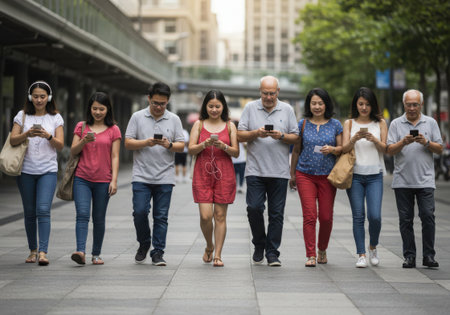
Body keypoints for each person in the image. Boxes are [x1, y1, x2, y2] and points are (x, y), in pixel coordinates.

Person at [238, 76, 299, 267]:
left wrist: (281, 135)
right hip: (255, 170)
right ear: (260, 91)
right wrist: (256, 133)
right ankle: (259, 243)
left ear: (278, 92)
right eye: (265, 93)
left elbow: (296, 137)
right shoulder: (250, 108)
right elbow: (239, 135)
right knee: (254, 208)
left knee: (276, 214)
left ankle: (272, 253)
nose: (269, 97)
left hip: (279, 171)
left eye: (272, 93)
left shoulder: (287, 109)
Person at [125, 82, 185, 266]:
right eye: (155, 103)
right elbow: (127, 142)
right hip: (141, 176)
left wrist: (168, 145)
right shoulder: (137, 117)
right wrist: (146, 143)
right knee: (140, 212)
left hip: (165, 176)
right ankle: (144, 243)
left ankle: (158, 252)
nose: (159, 107)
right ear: (148, 98)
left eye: (163, 104)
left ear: (168, 102)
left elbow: (181, 146)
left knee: (161, 216)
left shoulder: (174, 119)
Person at [386, 89, 443, 269]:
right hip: (402, 180)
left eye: (415, 104)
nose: (411, 108)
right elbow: (389, 150)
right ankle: (409, 256)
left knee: (428, 216)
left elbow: (440, 148)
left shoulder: (431, 122)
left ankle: (429, 256)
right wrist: (403, 142)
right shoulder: (396, 123)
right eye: (409, 104)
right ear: (404, 105)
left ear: (421, 105)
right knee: (405, 220)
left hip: (425, 180)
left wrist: (425, 142)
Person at [10, 81, 64, 265]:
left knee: (43, 209)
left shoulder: (55, 117)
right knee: (30, 212)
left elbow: (61, 145)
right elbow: (13, 139)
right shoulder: (22, 115)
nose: (39, 100)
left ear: (48, 98)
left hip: (47, 171)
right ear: (29, 97)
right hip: (25, 171)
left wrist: (47, 136)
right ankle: (32, 250)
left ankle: (43, 252)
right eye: (35, 96)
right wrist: (27, 134)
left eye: (42, 96)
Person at [289, 88, 342, 267]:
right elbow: (296, 150)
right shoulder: (302, 124)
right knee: (310, 215)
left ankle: (322, 249)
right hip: (305, 174)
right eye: (314, 103)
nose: (317, 106)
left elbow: (343, 149)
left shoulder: (335, 124)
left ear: (326, 104)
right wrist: (292, 174)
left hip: (328, 176)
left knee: (326, 217)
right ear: (309, 105)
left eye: (320, 103)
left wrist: (333, 149)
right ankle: (310, 254)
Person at [70, 92, 121, 265]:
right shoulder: (81, 126)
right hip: (82, 178)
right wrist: (83, 140)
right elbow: (73, 151)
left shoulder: (114, 129)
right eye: (94, 108)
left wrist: (114, 180)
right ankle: (80, 251)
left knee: (99, 217)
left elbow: (115, 156)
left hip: (103, 180)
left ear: (108, 110)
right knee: (82, 214)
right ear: (89, 109)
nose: (97, 112)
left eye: (101, 109)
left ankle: (96, 254)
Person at [188, 90, 239, 267]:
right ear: (205, 106)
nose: (214, 110)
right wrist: (204, 144)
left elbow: (236, 152)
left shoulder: (230, 126)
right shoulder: (199, 125)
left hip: (224, 174)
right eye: (211, 106)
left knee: (220, 215)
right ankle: (209, 245)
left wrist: (223, 145)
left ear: (223, 106)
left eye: (218, 106)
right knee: (205, 216)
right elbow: (191, 149)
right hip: (202, 174)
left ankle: (217, 254)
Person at [342, 87, 387, 268]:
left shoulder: (381, 123)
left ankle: (372, 247)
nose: (364, 107)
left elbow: (387, 149)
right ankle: (361, 254)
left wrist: (373, 140)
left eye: (368, 104)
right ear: (356, 105)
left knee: (375, 216)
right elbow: (344, 149)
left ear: (373, 105)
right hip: (355, 176)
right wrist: (354, 139)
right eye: (361, 104)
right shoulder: (349, 123)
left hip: (375, 175)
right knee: (358, 216)